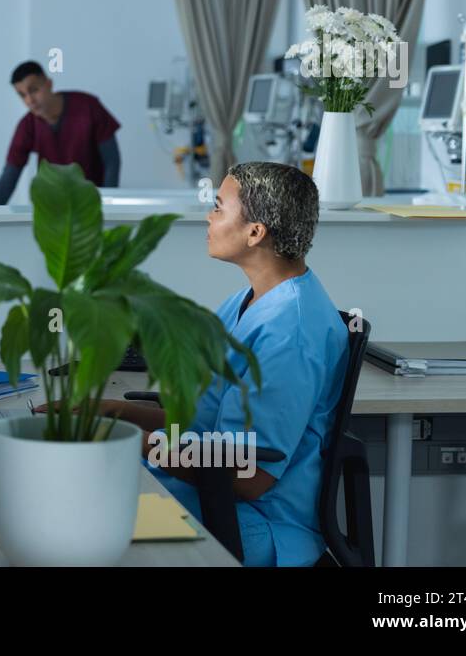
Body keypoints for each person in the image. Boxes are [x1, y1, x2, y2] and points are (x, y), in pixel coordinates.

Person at [85, 162, 347, 566]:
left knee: (74, 517)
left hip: (249, 523)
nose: (208, 217)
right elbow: (203, 418)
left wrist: (124, 442)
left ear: (255, 231)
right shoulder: (245, 302)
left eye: (219, 208)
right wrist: (115, 412)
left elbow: (248, 475)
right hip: (207, 495)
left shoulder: (290, 331)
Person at [0, 61, 121, 204]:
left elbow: (112, 161)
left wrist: (107, 203)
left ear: (49, 84)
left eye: (33, 90)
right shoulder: (27, 125)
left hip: (90, 204)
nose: (29, 100)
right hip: (51, 208)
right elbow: (9, 176)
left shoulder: (88, 107)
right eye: (22, 95)